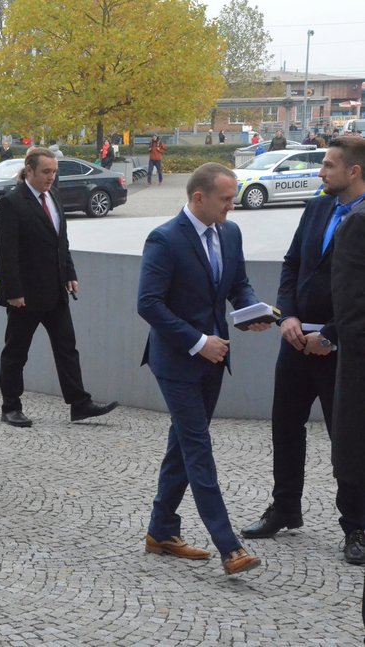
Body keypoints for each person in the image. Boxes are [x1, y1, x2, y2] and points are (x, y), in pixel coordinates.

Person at [137, 162, 270, 576]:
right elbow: (149, 304)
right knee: (198, 448)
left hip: (216, 359)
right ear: (199, 197)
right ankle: (229, 547)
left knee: (183, 444)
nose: (233, 206)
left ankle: (161, 531)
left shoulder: (230, 232)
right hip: (177, 361)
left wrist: (250, 313)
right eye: (226, 199)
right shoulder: (164, 239)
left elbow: (237, 285)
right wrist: (198, 342)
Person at [240, 136, 365, 564]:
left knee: (346, 437)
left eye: (329, 165)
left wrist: (329, 333)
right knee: (285, 425)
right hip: (295, 340)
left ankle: (356, 525)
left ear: (354, 171)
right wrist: (288, 316)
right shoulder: (317, 207)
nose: (321, 171)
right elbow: (293, 263)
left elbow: (360, 294)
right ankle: (285, 508)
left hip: (340, 348)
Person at [0, 148, 117, 428]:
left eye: (54, 172)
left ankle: (79, 403)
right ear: (29, 171)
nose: (51, 177)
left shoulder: (54, 196)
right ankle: (10, 406)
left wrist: (70, 273)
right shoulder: (11, 202)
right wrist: (14, 293)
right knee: (16, 352)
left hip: (55, 291)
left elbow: (61, 241)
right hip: (24, 295)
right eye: (46, 172)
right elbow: (7, 253)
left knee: (66, 347)